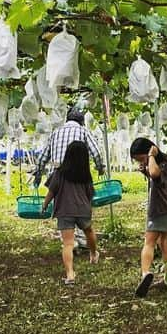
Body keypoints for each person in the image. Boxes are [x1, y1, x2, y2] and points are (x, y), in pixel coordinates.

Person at [33, 104, 105, 249]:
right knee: (78, 203)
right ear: (81, 122)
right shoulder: (83, 131)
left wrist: (38, 174)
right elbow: (96, 152)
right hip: (78, 174)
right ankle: (79, 238)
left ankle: (69, 241)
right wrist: (100, 167)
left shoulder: (56, 132)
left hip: (57, 173)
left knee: (63, 206)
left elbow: (42, 157)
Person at [42, 140, 98, 285]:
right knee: (89, 231)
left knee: (68, 244)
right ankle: (93, 254)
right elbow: (90, 194)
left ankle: (70, 274)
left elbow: (51, 191)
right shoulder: (86, 175)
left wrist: (44, 205)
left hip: (64, 211)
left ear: (67, 155)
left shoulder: (59, 173)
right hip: (82, 209)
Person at [130, 137, 167, 298]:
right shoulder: (165, 161)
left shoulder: (160, 161)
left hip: (160, 210)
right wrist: (145, 167)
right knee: (163, 242)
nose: (142, 162)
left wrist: (150, 156)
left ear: (151, 150)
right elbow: (155, 177)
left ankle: (145, 273)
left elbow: (156, 174)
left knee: (149, 242)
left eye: (141, 158)